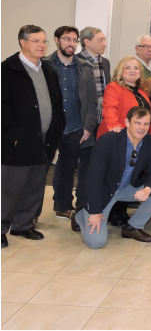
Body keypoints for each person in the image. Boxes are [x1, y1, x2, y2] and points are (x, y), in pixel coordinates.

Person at [2, 25, 65, 248]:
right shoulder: (7, 70)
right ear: (22, 42)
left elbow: (57, 105)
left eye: (44, 41)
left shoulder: (48, 70)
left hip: (44, 140)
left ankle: (23, 224)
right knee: (10, 189)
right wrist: (14, 135)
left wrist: (56, 132)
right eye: (36, 41)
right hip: (16, 143)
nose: (41, 45)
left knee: (34, 186)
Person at [74, 107, 151, 248]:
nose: (142, 128)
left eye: (146, 124)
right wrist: (95, 211)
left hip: (126, 188)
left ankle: (132, 227)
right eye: (138, 123)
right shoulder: (108, 140)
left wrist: (147, 189)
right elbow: (94, 178)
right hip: (103, 192)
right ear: (127, 122)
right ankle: (82, 214)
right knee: (96, 243)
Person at [44, 26, 97, 220]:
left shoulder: (85, 67)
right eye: (67, 39)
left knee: (67, 167)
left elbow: (92, 101)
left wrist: (88, 126)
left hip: (76, 126)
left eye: (74, 40)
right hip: (50, 127)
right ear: (57, 40)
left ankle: (62, 205)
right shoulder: (45, 65)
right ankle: (30, 211)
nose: (71, 43)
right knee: (41, 169)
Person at [93, 57, 151, 229]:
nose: (133, 71)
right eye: (128, 67)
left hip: (136, 141)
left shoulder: (141, 92)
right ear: (120, 71)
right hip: (117, 139)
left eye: (136, 68)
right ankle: (107, 211)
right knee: (114, 176)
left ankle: (120, 210)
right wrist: (114, 127)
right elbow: (109, 108)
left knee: (129, 175)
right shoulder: (114, 87)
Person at [76, 27, 111, 219]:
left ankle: (96, 201)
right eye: (100, 40)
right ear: (87, 41)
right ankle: (80, 205)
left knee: (101, 165)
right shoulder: (77, 63)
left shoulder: (104, 62)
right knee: (85, 165)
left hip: (104, 123)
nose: (104, 44)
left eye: (104, 40)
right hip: (86, 123)